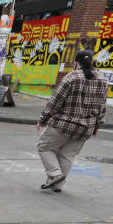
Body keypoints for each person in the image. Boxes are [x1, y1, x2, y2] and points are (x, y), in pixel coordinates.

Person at [37, 50, 107, 192]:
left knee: (44, 147)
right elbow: (102, 106)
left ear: (76, 62)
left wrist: (43, 119)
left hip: (64, 123)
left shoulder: (71, 77)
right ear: (92, 61)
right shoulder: (102, 79)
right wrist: (97, 126)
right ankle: (57, 185)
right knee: (68, 155)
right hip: (86, 127)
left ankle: (55, 175)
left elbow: (55, 101)